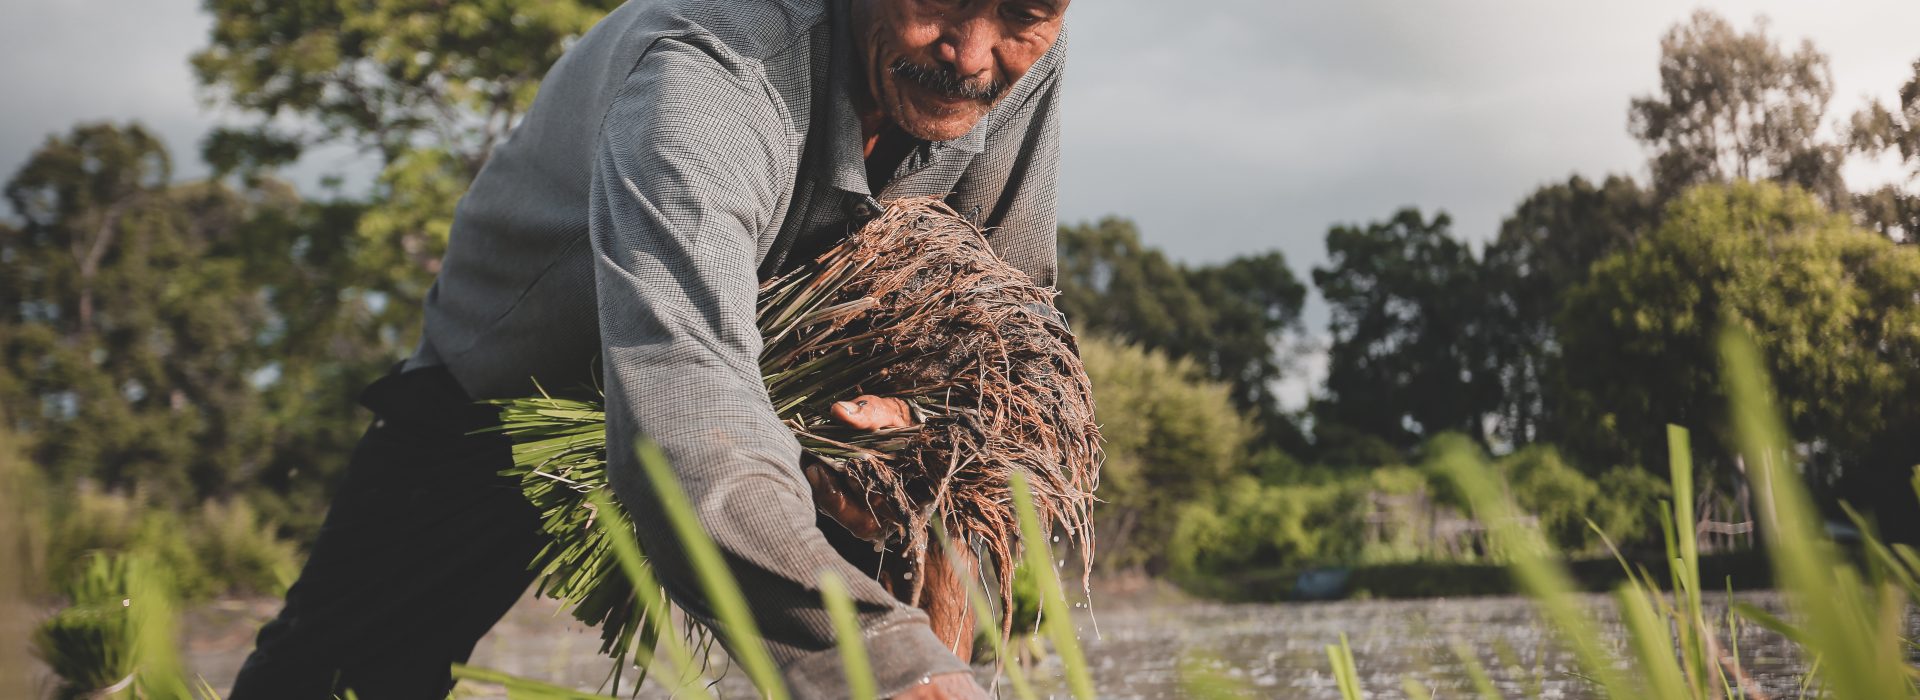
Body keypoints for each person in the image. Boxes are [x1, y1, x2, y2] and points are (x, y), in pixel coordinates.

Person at [228, 0, 1070, 698]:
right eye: (938, 4)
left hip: (799, 382)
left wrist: (926, 442)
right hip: (520, 377)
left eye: (1023, 15)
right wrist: (894, 668)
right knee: (338, 676)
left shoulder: (1016, 49)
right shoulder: (712, 70)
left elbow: (1000, 335)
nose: (971, 55)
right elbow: (686, 412)